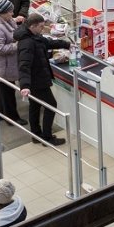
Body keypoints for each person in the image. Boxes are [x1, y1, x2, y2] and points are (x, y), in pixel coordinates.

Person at [16, 13, 70, 146]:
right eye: (41, 26)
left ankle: (36, 135)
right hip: (37, 80)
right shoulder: (27, 42)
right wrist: (25, 85)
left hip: (37, 79)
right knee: (51, 105)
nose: (43, 28)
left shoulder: (33, 36)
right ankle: (47, 137)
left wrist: (66, 44)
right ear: (33, 26)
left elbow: (48, 43)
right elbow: (24, 65)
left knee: (35, 106)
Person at [0, 0, 25, 126]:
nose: (12, 13)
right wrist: (16, 46)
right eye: (10, 11)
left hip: (4, 65)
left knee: (3, 90)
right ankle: (12, 118)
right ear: (2, 13)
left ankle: (1, 113)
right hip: (3, 65)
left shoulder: (6, 20)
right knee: (8, 91)